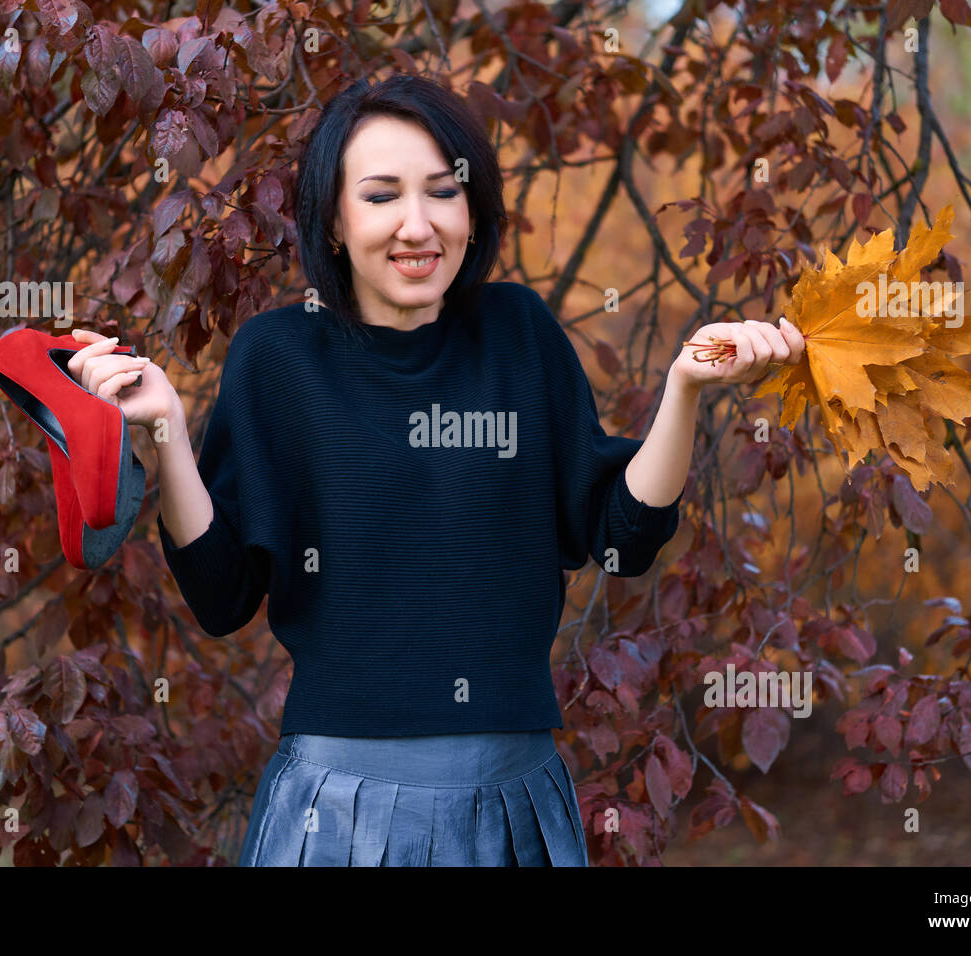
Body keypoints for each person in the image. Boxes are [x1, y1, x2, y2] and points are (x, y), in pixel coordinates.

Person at [68, 73, 805, 866]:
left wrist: (685, 388)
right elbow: (220, 599)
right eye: (381, 196)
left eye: (442, 192)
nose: (417, 225)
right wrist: (169, 434)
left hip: (514, 806)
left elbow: (623, 538)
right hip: (339, 814)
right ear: (335, 220)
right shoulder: (278, 358)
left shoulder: (519, 333)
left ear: (473, 207)